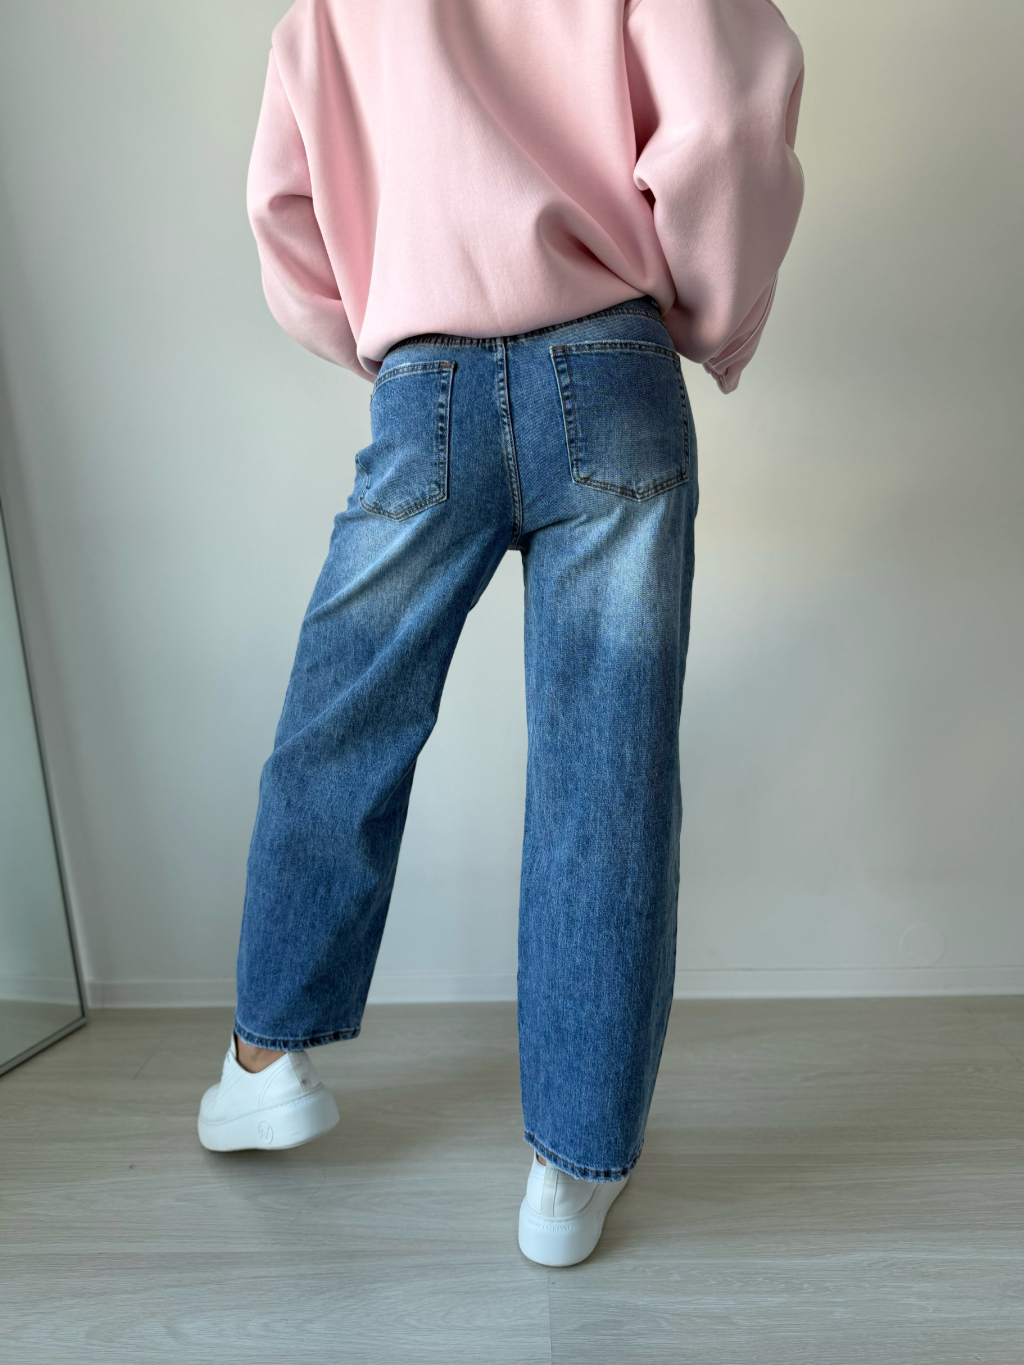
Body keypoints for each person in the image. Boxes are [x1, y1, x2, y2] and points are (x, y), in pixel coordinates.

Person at [197, 0, 804, 1267]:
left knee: (343, 719)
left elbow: (284, 206)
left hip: (425, 382)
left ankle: (266, 1062)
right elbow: (723, 127)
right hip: (613, 367)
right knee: (604, 774)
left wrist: (391, 339)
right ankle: (571, 1169)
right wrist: (708, 317)